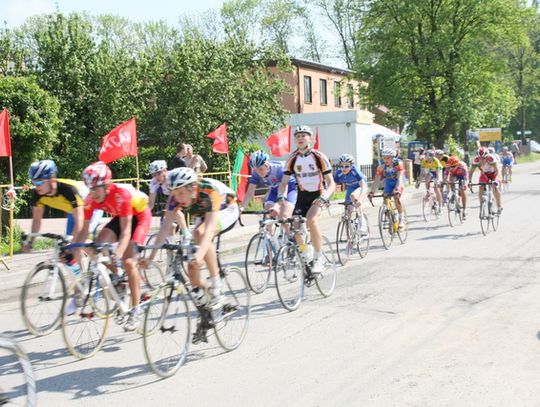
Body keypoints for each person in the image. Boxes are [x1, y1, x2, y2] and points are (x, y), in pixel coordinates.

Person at [141, 167, 239, 313]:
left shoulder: (209, 191)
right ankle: (207, 303)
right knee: (192, 267)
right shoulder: (175, 198)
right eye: (174, 194)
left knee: (200, 233)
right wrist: (150, 258)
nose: (178, 198)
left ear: (192, 187)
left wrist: (199, 256)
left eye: (181, 193)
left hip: (227, 209)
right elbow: (164, 228)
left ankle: (216, 286)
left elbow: (210, 228)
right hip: (204, 213)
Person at [73, 161, 152, 332]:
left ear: (107, 185)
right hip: (121, 218)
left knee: (128, 261)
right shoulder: (90, 198)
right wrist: (73, 248)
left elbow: (125, 233)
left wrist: (118, 252)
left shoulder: (121, 194)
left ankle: (136, 310)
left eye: (95, 189)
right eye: (89, 189)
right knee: (97, 247)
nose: (92, 194)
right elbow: (84, 230)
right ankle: (120, 280)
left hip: (139, 218)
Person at [277, 125, 335, 274]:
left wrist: (324, 197)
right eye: (298, 136)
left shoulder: (318, 156)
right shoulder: (292, 158)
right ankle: (305, 254)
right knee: (295, 226)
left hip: (318, 194)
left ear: (311, 139)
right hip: (302, 196)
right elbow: (283, 182)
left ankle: (318, 257)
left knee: (311, 219)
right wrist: (281, 196)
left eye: (304, 135)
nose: (300, 138)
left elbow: (331, 183)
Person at [23, 160, 102, 251]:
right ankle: (78, 263)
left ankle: (99, 260)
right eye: (34, 183)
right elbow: (36, 220)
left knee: (78, 242)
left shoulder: (68, 189)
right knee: (67, 250)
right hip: (74, 211)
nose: (36, 187)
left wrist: (72, 245)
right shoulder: (37, 194)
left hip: (91, 208)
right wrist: (30, 242)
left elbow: (80, 221)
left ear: (52, 180)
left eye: (39, 183)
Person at [240, 150, 297, 223]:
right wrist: (242, 208)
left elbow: (284, 185)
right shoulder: (256, 173)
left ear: (266, 165)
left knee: (284, 216)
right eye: (256, 170)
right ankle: (268, 233)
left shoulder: (279, 169)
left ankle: (289, 232)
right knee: (267, 215)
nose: (258, 172)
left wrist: (277, 205)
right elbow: (249, 193)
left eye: (260, 169)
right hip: (274, 189)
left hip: (289, 189)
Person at [147, 159, 188, 241]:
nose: (156, 177)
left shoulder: (172, 178)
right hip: (174, 196)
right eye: (153, 175)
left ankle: (186, 233)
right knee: (168, 225)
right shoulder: (154, 182)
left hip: (185, 193)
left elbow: (176, 199)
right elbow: (151, 203)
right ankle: (171, 246)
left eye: (159, 173)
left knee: (173, 209)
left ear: (165, 171)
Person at [368, 148, 406, 229]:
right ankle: (391, 221)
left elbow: (399, 179)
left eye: (388, 158)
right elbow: (376, 180)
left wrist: (397, 189)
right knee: (385, 200)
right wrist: (372, 192)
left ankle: (401, 219)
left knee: (396, 197)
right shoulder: (381, 166)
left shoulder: (398, 163)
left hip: (398, 181)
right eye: (384, 158)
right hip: (389, 181)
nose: (385, 160)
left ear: (393, 158)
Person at [333, 153, 368, 234]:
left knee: (353, 196)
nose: (344, 168)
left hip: (360, 187)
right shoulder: (338, 173)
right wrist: (327, 200)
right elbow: (332, 188)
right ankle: (351, 234)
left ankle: (362, 221)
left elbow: (364, 186)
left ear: (351, 166)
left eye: (347, 166)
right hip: (351, 188)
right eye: (342, 166)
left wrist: (360, 199)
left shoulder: (355, 171)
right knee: (348, 210)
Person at [469, 146, 502, 214]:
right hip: (485, 174)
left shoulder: (491, 158)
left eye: (483, 158)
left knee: (494, 187)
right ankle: (482, 204)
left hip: (494, 173)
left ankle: (499, 206)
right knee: (481, 186)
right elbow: (471, 172)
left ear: (486, 156)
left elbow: (497, 170)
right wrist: (469, 181)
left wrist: (495, 180)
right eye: (480, 158)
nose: (481, 160)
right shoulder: (476, 160)